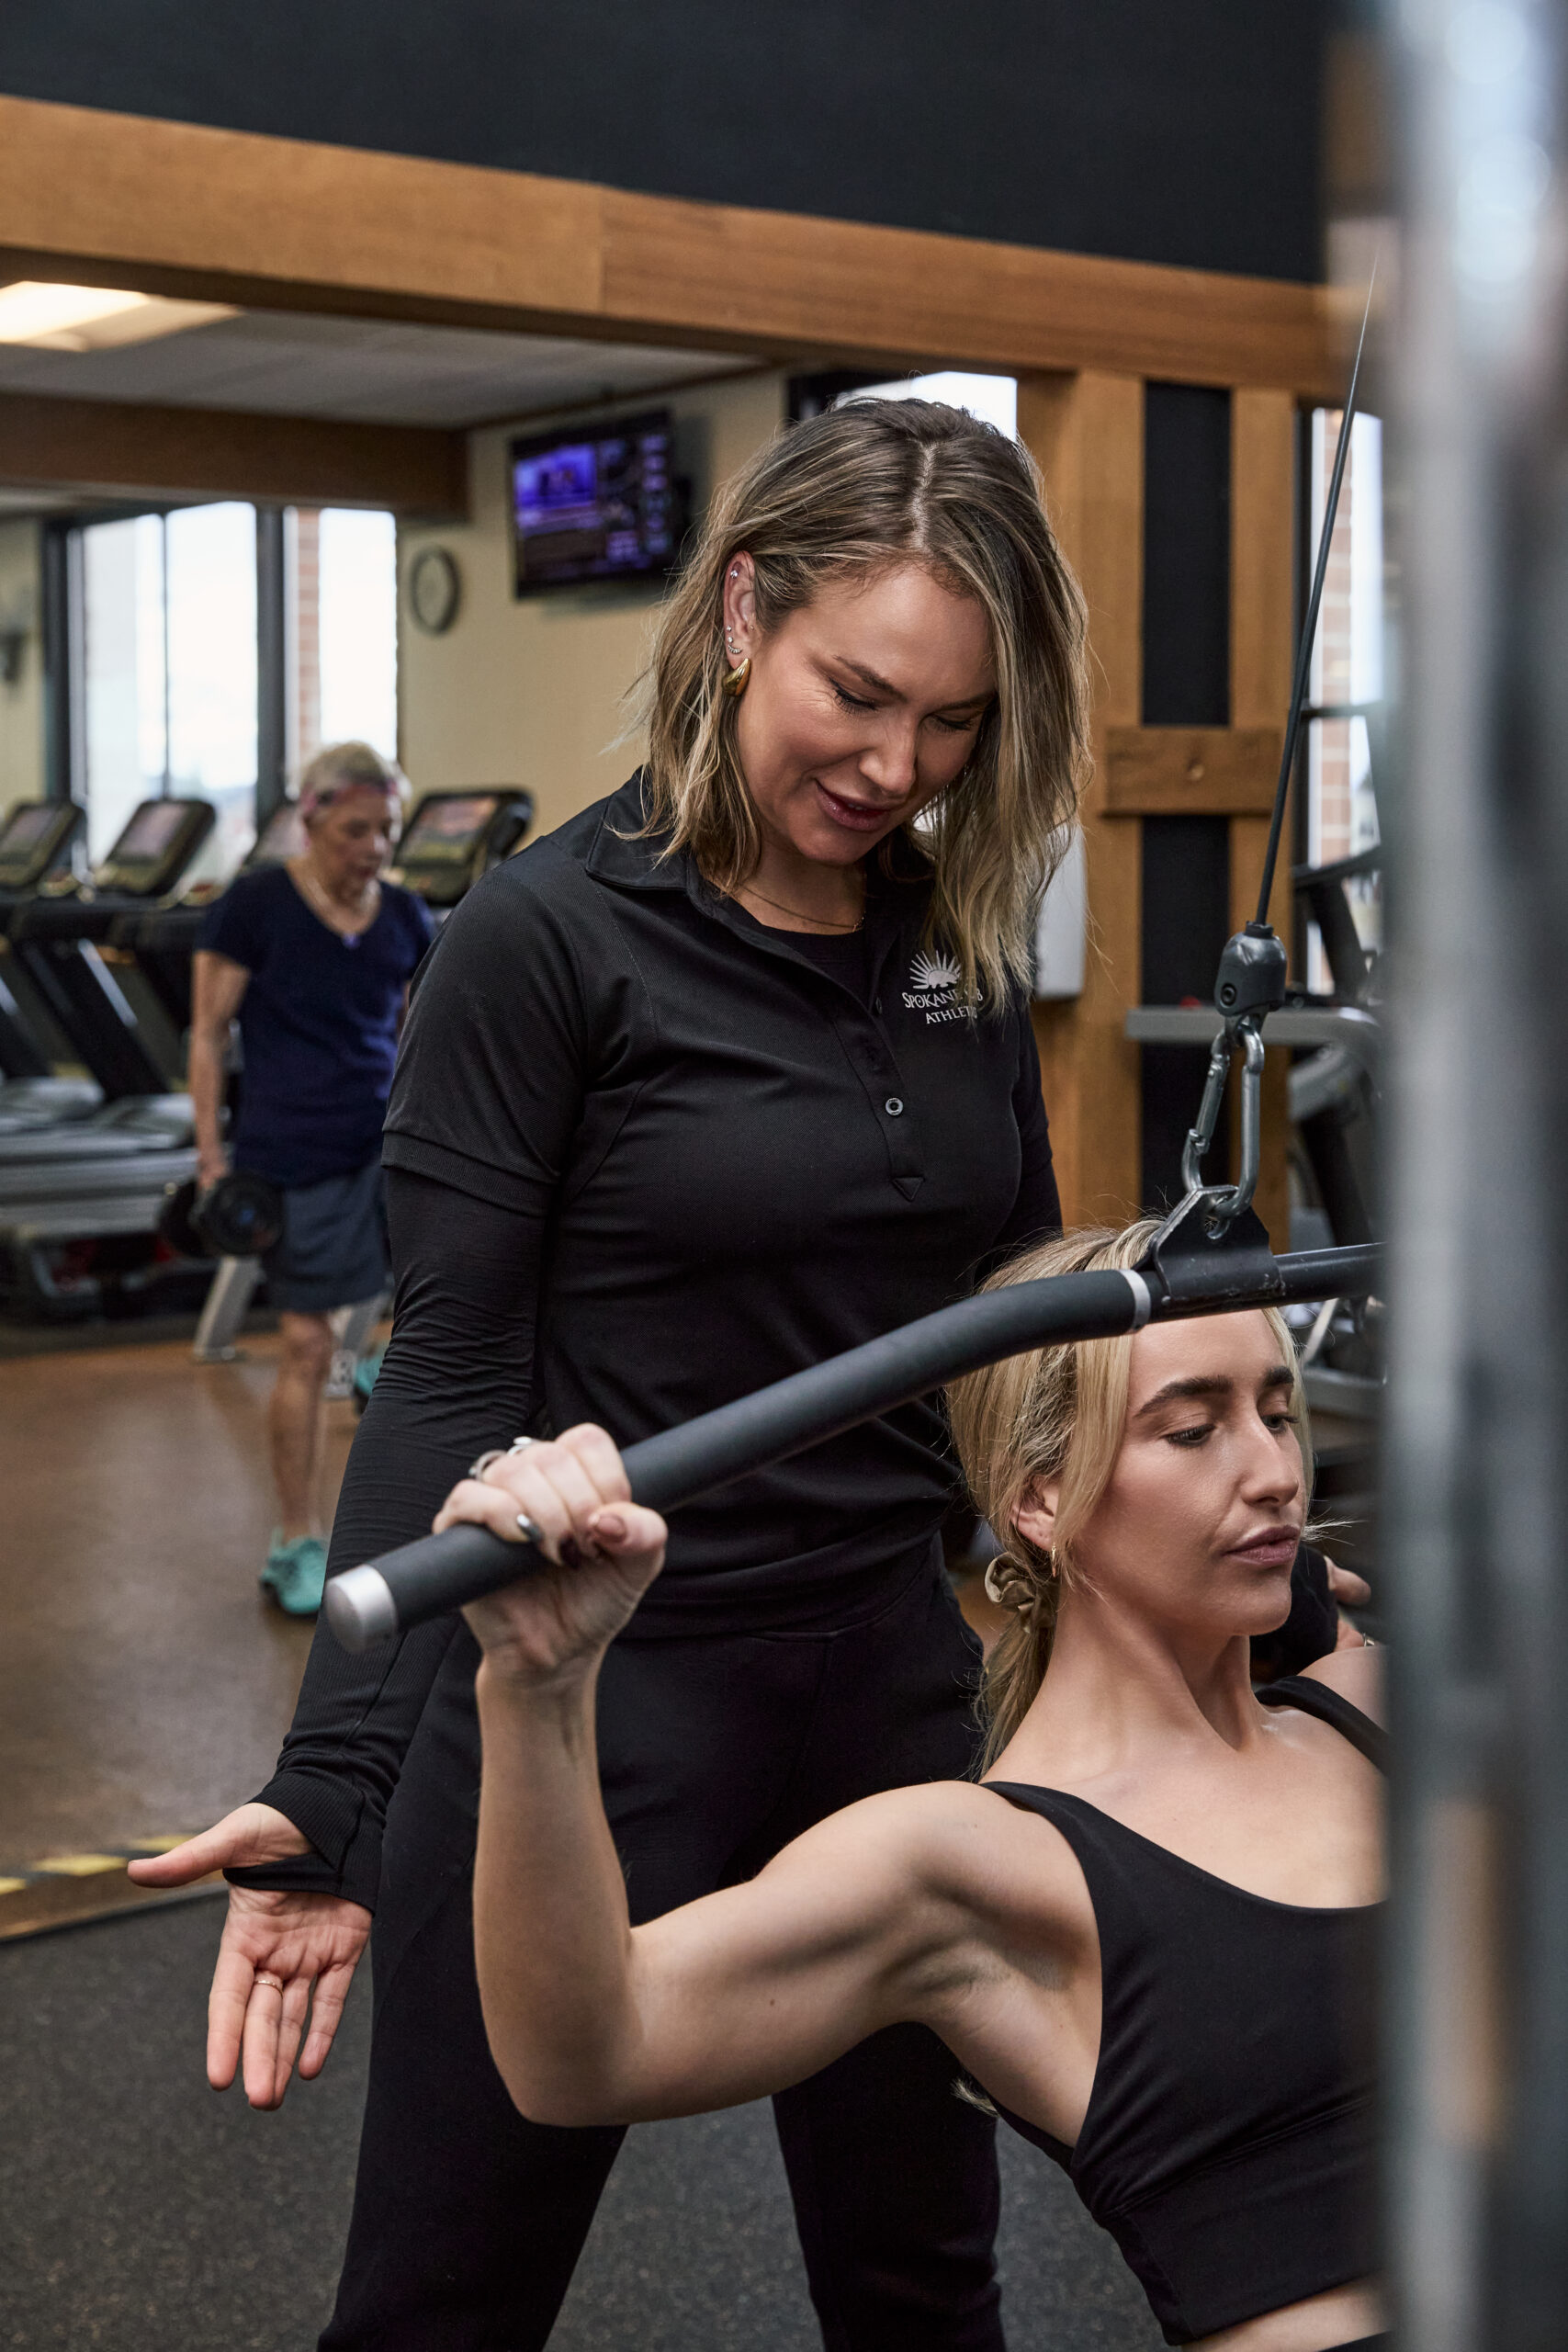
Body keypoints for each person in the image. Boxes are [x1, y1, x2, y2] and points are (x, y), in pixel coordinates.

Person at [135, 401, 1351, 2346]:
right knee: (448, 2288)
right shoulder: (541, 940)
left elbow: (1012, 1330)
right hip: (591, 1690)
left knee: (919, 2271)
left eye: (949, 721)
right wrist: (339, 1787)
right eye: (857, 694)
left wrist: (1244, 1574)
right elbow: (445, 1367)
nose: (894, 765)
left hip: (890, 1679)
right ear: (737, 613)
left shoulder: (945, 936)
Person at [436, 1220, 1387, 2352]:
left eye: (1278, 1413)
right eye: (1193, 1429)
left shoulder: (1376, 1713)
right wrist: (539, 1684)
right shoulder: (980, 1863)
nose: (1276, 1470)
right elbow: (582, 2053)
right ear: (1040, 1501)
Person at [188, 743, 434, 1617]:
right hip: (293, 1152)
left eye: (386, 832)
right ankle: (296, 1536)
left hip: (386, 1144)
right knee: (302, 1346)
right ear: (312, 817)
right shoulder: (255, 906)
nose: (372, 847)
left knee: (449, 1300)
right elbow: (208, 1036)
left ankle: (377, 1356)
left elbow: (417, 1040)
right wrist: (213, 1160)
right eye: (356, 829)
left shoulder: (405, 916)